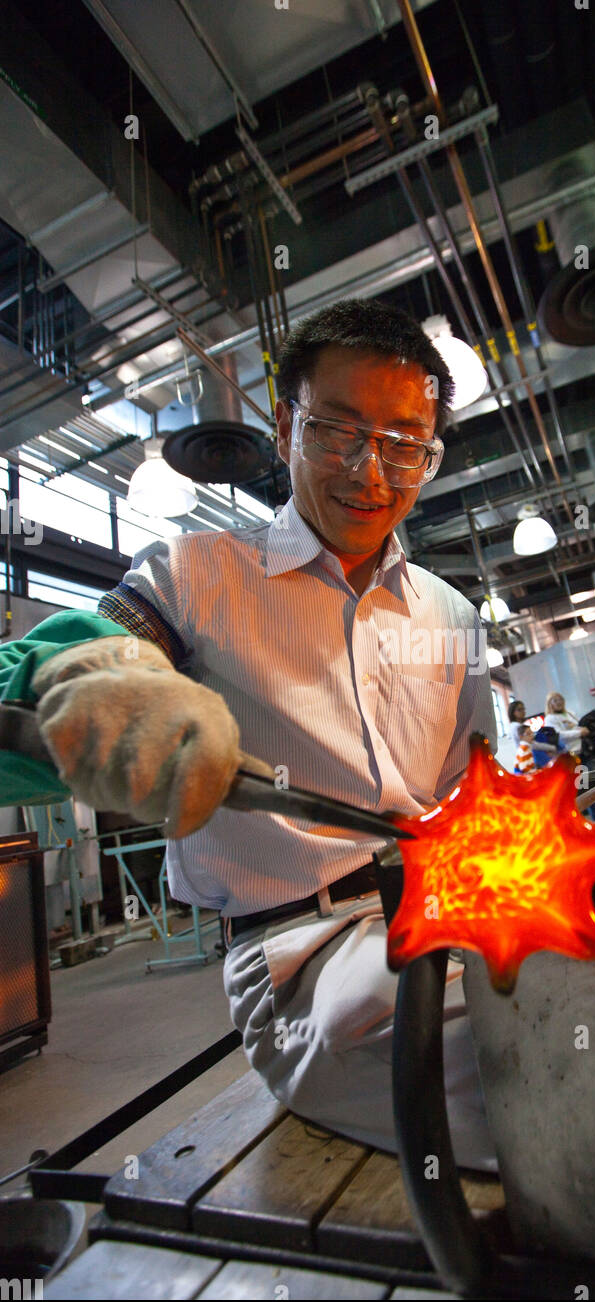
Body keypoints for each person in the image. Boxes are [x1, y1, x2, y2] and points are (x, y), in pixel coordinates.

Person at [0, 299, 499, 1170]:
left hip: (445, 915)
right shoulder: (196, 578)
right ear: (284, 425)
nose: (368, 471)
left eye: (403, 444)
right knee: (523, 1076)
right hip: (304, 960)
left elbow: (471, 794)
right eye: (337, 430)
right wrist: (81, 682)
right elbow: (70, 669)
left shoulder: (450, 616)